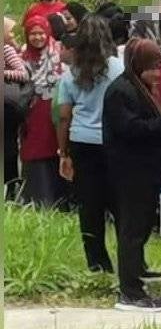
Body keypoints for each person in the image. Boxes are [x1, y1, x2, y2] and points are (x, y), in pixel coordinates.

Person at [103, 38, 161, 311]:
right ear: (138, 65)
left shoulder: (141, 88)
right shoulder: (122, 91)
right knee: (131, 230)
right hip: (130, 173)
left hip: (145, 171)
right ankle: (130, 291)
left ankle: (135, 280)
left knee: (139, 229)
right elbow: (130, 130)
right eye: (153, 67)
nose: (158, 73)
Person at [57, 15, 124, 273]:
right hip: (113, 142)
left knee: (89, 207)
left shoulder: (71, 73)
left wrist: (64, 153)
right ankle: (130, 261)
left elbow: (64, 116)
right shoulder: (119, 68)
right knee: (120, 204)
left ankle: (97, 264)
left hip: (82, 143)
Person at [19, 15, 66, 207]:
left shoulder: (58, 54)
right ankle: (37, 198)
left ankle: (60, 199)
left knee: (54, 148)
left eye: (40, 33)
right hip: (32, 113)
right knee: (34, 149)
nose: (37, 37)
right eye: (32, 34)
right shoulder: (22, 59)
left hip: (55, 111)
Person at [5, 17, 30, 198]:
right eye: (10, 31)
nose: (12, 35)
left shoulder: (6, 50)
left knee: (8, 148)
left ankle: (11, 187)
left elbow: (23, 74)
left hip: (7, 110)